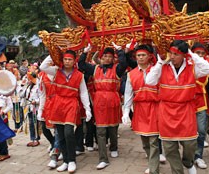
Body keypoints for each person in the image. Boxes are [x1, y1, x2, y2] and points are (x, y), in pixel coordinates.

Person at [145, 40, 209, 174]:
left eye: (176, 54)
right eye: (170, 53)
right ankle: (178, 171)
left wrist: (191, 54)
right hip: (166, 110)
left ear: (183, 55)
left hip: (186, 110)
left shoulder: (192, 67)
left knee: (190, 143)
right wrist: (160, 63)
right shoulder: (162, 67)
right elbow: (149, 81)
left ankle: (188, 162)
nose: (172, 57)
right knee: (169, 147)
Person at [78, 42, 128, 170]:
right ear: (101, 57)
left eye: (110, 56)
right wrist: (85, 52)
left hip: (112, 100)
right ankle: (103, 159)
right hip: (99, 101)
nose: (107, 59)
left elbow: (124, 64)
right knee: (100, 130)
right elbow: (81, 65)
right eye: (105, 56)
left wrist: (120, 51)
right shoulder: (95, 69)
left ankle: (114, 147)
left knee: (112, 128)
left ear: (113, 58)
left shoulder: (116, 69)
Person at [40, 50, 92, 173]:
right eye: (65, 59)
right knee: (61, 134)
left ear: (74, 61)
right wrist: (54, 52)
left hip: (71, 104)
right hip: (58, 104)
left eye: (70, 59)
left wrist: (87, 108)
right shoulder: (56, 71)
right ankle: (65, 161)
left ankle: (72, 160)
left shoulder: (79, 75)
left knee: (69, 132)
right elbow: (43, 67)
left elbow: (83, 92)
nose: (67, 61)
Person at [122, 44, 159, 174]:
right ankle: (152, 162)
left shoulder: (157, 70)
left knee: (154, 140)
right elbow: (128, 94)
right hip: (140, 109)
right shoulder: (131, 74)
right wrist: (126, 111)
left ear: (149, 56)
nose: (141, 58)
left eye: (143, 55)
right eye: (138, 55)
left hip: (155, 107)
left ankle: (154, 169)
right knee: (145, 141)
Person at [191, 43, 209, 170]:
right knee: (188, 132)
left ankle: (198, 156)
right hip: (186, 102)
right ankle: (188, 155)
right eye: (197, 53)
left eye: (202, 53)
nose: (200, 56)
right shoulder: (186, 66)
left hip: (201, 101)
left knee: (201, 131)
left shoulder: (206, 68)